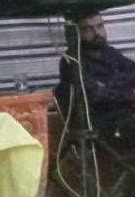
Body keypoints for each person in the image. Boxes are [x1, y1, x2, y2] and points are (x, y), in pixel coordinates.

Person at [54, 11, 135, 141]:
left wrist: (108, 85)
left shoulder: (110, 53)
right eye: (88, 29)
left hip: (126, 114)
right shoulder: (71, 61)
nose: (97, 33)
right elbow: (96, 95)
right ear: (78, 33)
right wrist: (129, 93)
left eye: (99, 26)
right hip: (102, 125)